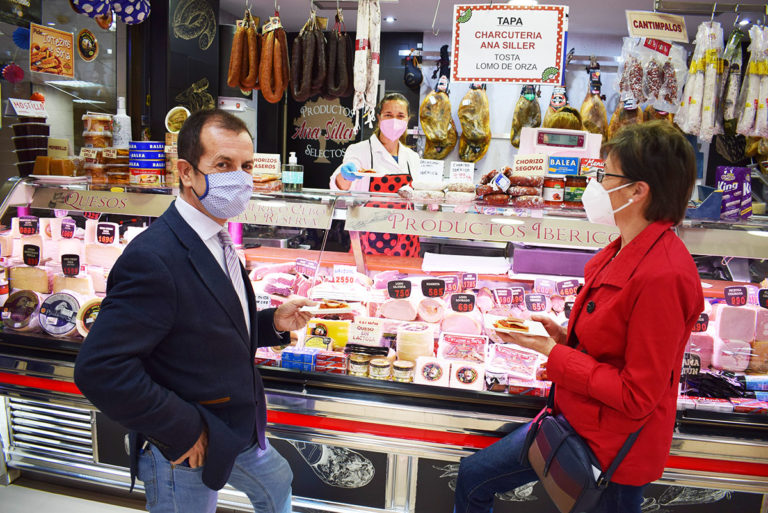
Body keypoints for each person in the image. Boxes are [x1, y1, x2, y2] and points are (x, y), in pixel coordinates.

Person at [454, 121, 704, 513]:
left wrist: (553, 353)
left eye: (606, 176)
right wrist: (563, 337)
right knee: (474, 476)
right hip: (572, 421)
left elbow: (637, 396)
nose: (597, 186)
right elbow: (613, 343)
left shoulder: (664, 275)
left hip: (611, 454)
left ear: (638, 191)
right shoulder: (624, 247)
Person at [74, 109, 314, 513]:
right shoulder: (153, 258)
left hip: (234, 425)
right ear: (186, 172)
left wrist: (270, 322)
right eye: (223, 165)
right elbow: (99, 368)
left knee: (278, 481)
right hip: (186, 444)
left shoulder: (217, 238)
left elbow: (203, 324)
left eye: (246, 166)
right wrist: (183, 429)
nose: (240, 179)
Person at [329, 92, 421, 257]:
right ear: (379, 118)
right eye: (388, 115)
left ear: (408, 119)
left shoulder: (412, 157)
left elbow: (418, 197)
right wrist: (346, 175)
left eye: (400, 116)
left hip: (405, 239)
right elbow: (339, 187)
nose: (394, 121)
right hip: (367, 236)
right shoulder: (359, 150)